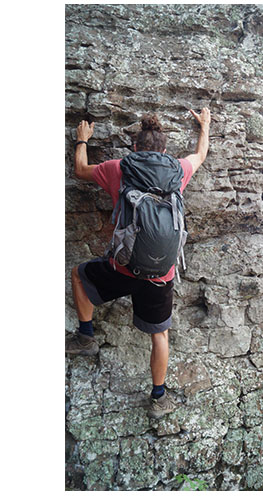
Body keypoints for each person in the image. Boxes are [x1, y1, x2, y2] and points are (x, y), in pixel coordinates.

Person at [66, 108, 210, 418]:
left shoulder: (118, 168)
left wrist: (82, 140)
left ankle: (86, 336)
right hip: (161, 274)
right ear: (164, 150)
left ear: (135, 148)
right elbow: (200, 154)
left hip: (123, 266)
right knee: (160, 334)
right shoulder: (179, 170)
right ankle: (159, 397)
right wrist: (205, 125)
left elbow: (80, 170)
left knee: (79, 274)